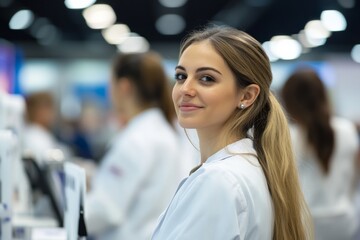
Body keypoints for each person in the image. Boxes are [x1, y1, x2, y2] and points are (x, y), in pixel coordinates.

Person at [151, 25, 312, 240]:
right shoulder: (246, 168)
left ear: (246, 96)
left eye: (206, 78)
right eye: (181, 76)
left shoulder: (219, 180)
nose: (185, 89)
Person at [85, 51, 184, 240]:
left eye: (110, 83)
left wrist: (64, 216)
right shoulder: (162, 131)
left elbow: (105, 209)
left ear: (124, 87)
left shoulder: (137, 139)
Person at [281, 67, 359, 240]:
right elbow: (354, 178)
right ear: (323, 95)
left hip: (304, 223)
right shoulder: (347, 129)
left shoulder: (288, 136)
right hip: (344, 221)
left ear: (288, 100)